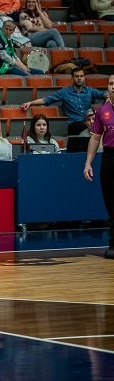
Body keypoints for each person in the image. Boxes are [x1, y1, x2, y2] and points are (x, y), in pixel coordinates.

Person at [21, 68, 107, 136]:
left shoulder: (89, 91)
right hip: (74, 124)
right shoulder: (65, 92)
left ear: (84, 78)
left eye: (81, 76)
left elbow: (104, 94)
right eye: (77, 76)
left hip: (89, 122)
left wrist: (109, 96)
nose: (79, 78)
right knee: (88, 127)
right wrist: (30, 103)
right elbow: (46, 99)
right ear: (72, 78)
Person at [83, 75, 114, 259]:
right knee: (110, 200)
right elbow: (95, 138)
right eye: (111, 84)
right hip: (109, 157)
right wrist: (88, 163)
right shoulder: (102, 110)